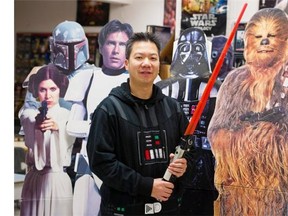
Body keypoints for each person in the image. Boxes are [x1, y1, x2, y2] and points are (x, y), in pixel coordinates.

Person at [86, 32, 193, 215]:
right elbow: (101, 163)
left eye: (153, 58)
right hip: (122, 210)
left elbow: (191, 153)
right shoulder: (109, 110)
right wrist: (147, 186)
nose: (146, 63)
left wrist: (184, 165)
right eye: (139, 57)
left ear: (159, 65)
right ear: (126, 63)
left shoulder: (173, 109)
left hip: (167, 210)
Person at [19, 64, 75, 216]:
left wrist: (58, 127)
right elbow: (27, 118)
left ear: (60, 90)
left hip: (57, 181)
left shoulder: (67, 115)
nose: (48, 95)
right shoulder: (30, 114)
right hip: (34, 179)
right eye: (42, 89)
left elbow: (71, 132)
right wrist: (35, 123)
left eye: (53, 89)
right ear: (37, 91)